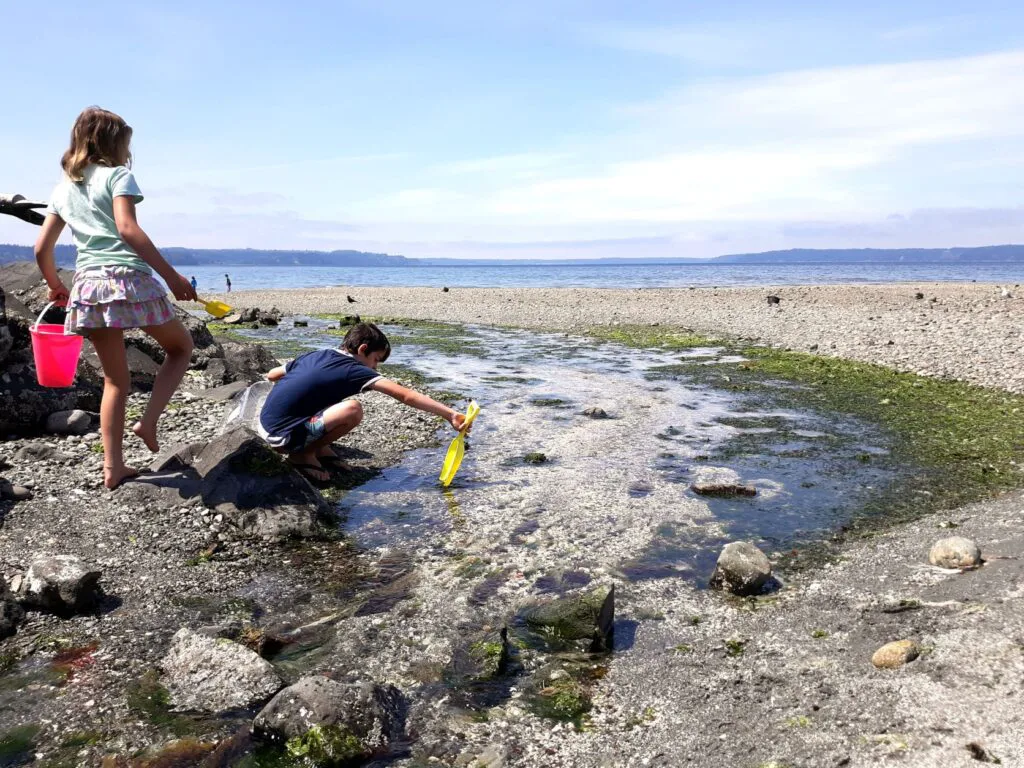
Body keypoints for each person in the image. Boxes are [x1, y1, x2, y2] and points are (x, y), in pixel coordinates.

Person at [34, 106, 198, 489]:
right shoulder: (118, 176)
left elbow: (42, 249)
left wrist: (54, 284)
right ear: (114, 143)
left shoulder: (63, 189)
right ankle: (149, 421)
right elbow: (127, 229)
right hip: (126, 279)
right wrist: (171, 275)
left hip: (88, 285)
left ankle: (113, 468)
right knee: (180, 348)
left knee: (115, 382)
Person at [259, 322, 468, 482]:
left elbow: (272, 374)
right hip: (281, 437)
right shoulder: (354, 370)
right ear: (362, 349)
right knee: (353, 409)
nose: (375, 368)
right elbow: (406, 395)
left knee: (328, 394)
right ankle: (303, 455)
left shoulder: (319, 354)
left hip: (265, 423)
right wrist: (449, 414)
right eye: (376, 359)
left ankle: (319, 447)